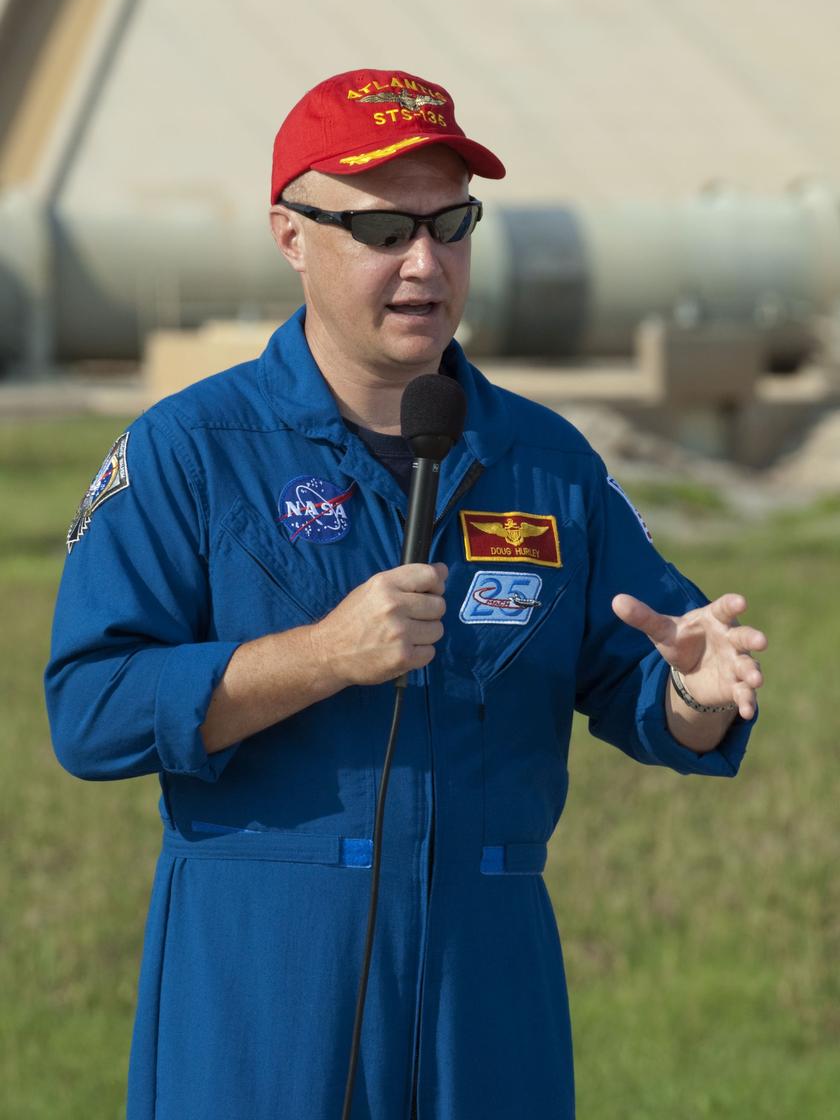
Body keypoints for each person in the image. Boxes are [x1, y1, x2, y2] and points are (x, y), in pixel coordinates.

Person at [45, 67, 766, 1120]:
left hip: (488, 972)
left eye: (451, 223)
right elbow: (92, 710)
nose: (425, 262)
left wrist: (697, 698)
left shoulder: (546, 461)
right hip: (263, 973)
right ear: (291, 234)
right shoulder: (189, 451)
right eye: (383, 228)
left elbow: (649, 683)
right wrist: (322, 654)